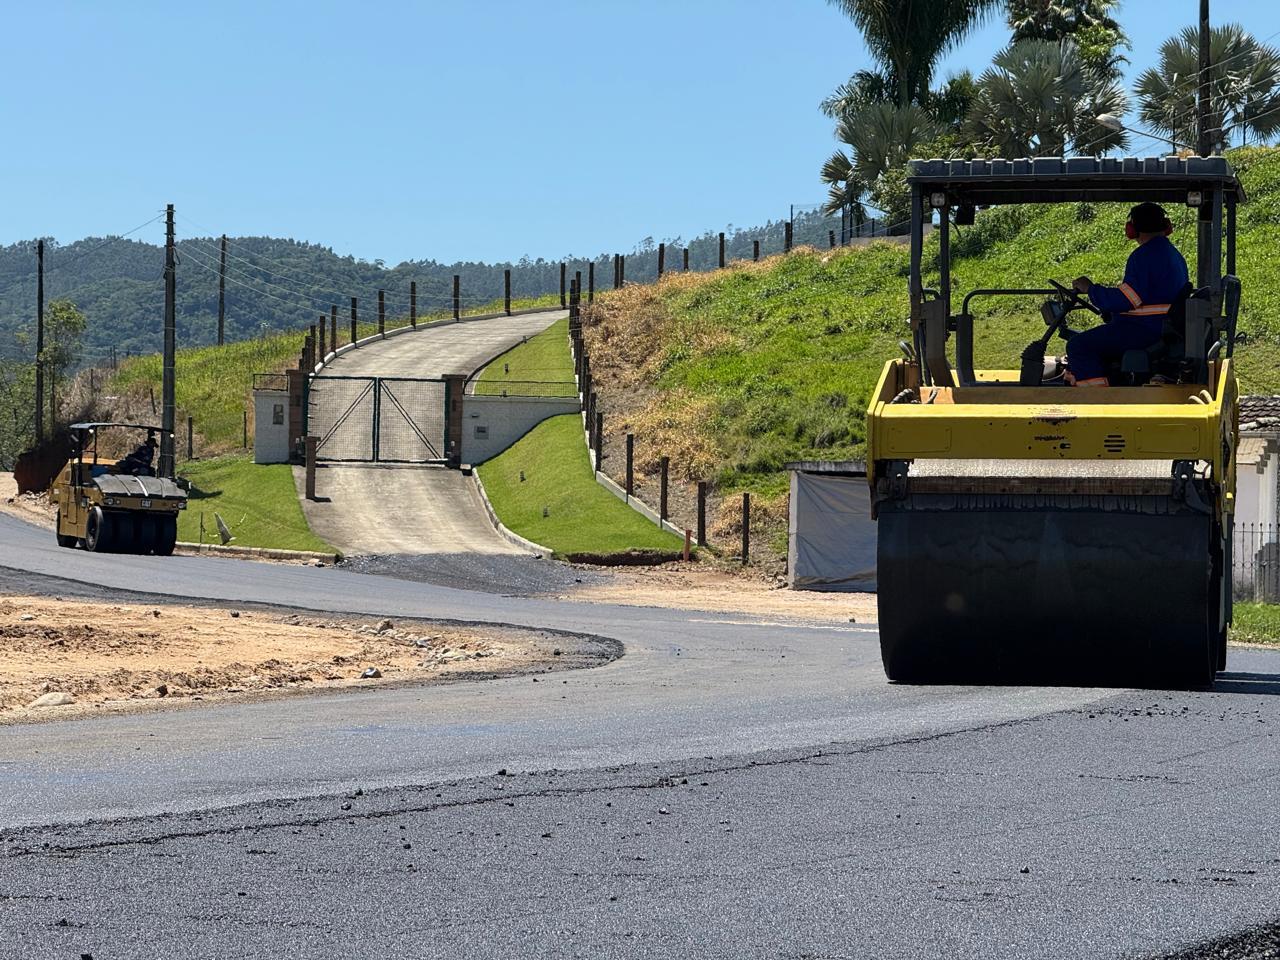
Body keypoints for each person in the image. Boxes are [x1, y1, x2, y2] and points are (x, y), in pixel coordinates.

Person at [1065, 202, 1190, 386]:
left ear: (1132, 229)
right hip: (1161, 328)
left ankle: (1094, 400)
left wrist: (1091, 289)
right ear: (1166, 226)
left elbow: (1128, 299)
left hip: (1143, 329)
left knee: (1078, 345)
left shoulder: (1143, 256)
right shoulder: (1173, 255)